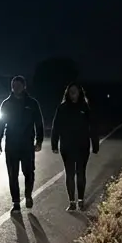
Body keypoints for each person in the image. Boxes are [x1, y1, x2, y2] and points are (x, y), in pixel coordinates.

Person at [0, 75, 45, 214]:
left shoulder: (32, 103)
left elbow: (39, 123)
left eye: (18, 85)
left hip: (27, 144)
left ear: (24, 86)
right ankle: (16, 202)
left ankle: (28, 195)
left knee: (29, 172)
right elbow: (0, 123)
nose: (16, 88)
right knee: (12, 174)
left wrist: (39, 140)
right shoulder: (6, 103)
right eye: (13, 85)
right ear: (12, 87)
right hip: (11, 144)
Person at [51, 82, 99, 211]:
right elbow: (56, 126)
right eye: (71, 91)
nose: (73, 93)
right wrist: (54, 144)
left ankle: (81, 200)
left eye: (75, 91)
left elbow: (93, 126)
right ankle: (72, 202)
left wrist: (95, 144)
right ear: (67, 93)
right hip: (67, 146)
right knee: (70, 173)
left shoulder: (85, 107)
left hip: (82, 145)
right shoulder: (62, 108)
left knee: (81, 173)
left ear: (79, 93)